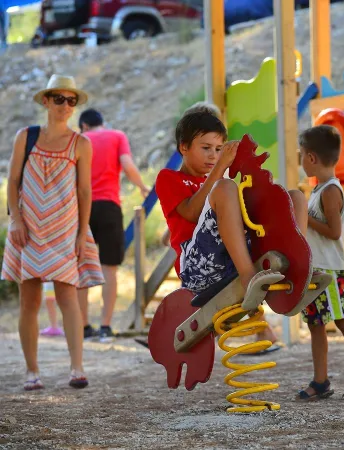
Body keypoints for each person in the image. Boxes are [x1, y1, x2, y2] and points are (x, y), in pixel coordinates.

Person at [155, 110, 308, 338]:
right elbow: (190, 213)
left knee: (294, 197)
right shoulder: (170, 178)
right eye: (205, 148)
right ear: (183, 147)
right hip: (198, 266)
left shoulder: (220, 182)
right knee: (226, 188)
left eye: (218, 149)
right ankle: (248, 277)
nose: (213, 156)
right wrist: (220, 171)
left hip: (229, 257)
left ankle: (297, 265)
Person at [2, 74, 104, 390]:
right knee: (29, 301)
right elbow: (14, 182)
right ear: (46, 101)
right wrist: (16, 221)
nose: (65, 105)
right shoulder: (26, 137)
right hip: (28, 229)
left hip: (65, 229)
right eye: (58, 99)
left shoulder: (81, 144)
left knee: (68, 298)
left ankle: (77, 369)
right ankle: (32, 373)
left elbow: (85, 191)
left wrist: (80, 234)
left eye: (70, 100)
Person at [295, 125, 344, 401]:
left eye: (302, 155)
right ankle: (320, 380)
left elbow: (334, 232)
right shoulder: (317, 190)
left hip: (330, 269)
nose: (301, 161)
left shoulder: (329, 192)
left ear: (312, 158)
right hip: (313, 269)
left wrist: (303, 216)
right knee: (315, 324)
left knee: (342, 321)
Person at [76, 109, 150, 343]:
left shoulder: (80, 140)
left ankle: (84, 328)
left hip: (81, 209)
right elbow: (127, 164)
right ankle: (105, 327)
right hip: (109, 206)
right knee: (109, 269)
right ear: (101, 123)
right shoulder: (116, 136)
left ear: (84, 126)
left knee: (82, 268)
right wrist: (142, 187)